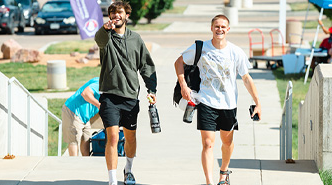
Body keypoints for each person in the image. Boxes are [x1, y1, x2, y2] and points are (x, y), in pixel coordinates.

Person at [174, 14, 262, 185]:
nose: (219, 29)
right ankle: (209, 181)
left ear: (228, 29)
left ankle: (224, 172)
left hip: (228, 104)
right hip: (206, 101)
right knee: (208, 143)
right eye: (217, 26)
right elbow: (178, 62)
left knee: (227, 142)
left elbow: (246, 78)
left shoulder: (236, 52)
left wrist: (257, 102)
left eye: (223, 27)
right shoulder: (201, 47)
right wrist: (183, 85)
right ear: (211, 28)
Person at [94, 1, 157, 185]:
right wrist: (105, 29)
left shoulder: (136, 39)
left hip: (130, 96)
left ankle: (128, 169)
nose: (116, 16)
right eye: (113, 13)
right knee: (112, 137)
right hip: (109, 95)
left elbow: (146, 66)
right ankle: (112, 180)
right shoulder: (106, 37)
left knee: (130, 138)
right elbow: (99, 39)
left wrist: (151, 89)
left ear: (127, 15)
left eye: (120, 12)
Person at [61, 77, 101, 156]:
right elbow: (85, 93)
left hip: (85, 116)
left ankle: (85, 164)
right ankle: (75, 165)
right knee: (74, 140)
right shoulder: (99, 83)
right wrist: (99, 105)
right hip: (73, 111)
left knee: (86, 139)